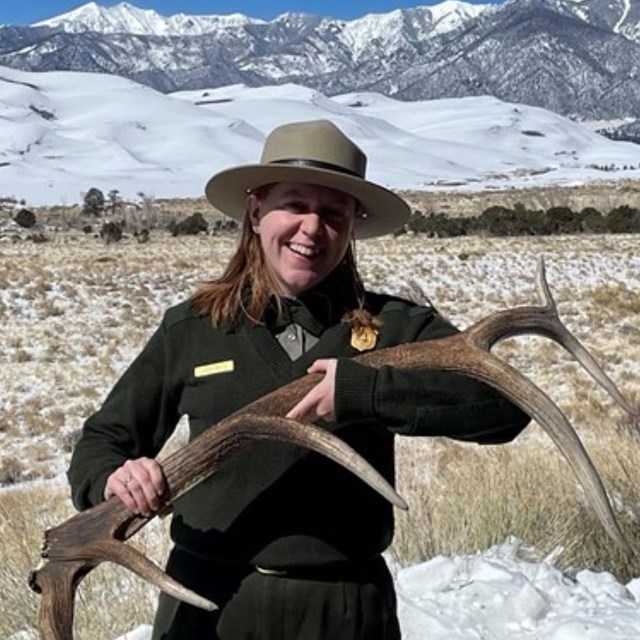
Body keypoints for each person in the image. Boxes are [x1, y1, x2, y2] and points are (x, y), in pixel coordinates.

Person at [68, 119, 530, 639]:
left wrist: (366, 393)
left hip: (346, 607)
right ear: (257, 210)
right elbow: (102, 443)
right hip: (207, 604)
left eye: (333, 212)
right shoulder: (194, 328)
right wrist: (115, 477)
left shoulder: (397, 327)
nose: (312, 229)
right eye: (295, 205)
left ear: (353, 224)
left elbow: (504, 406)